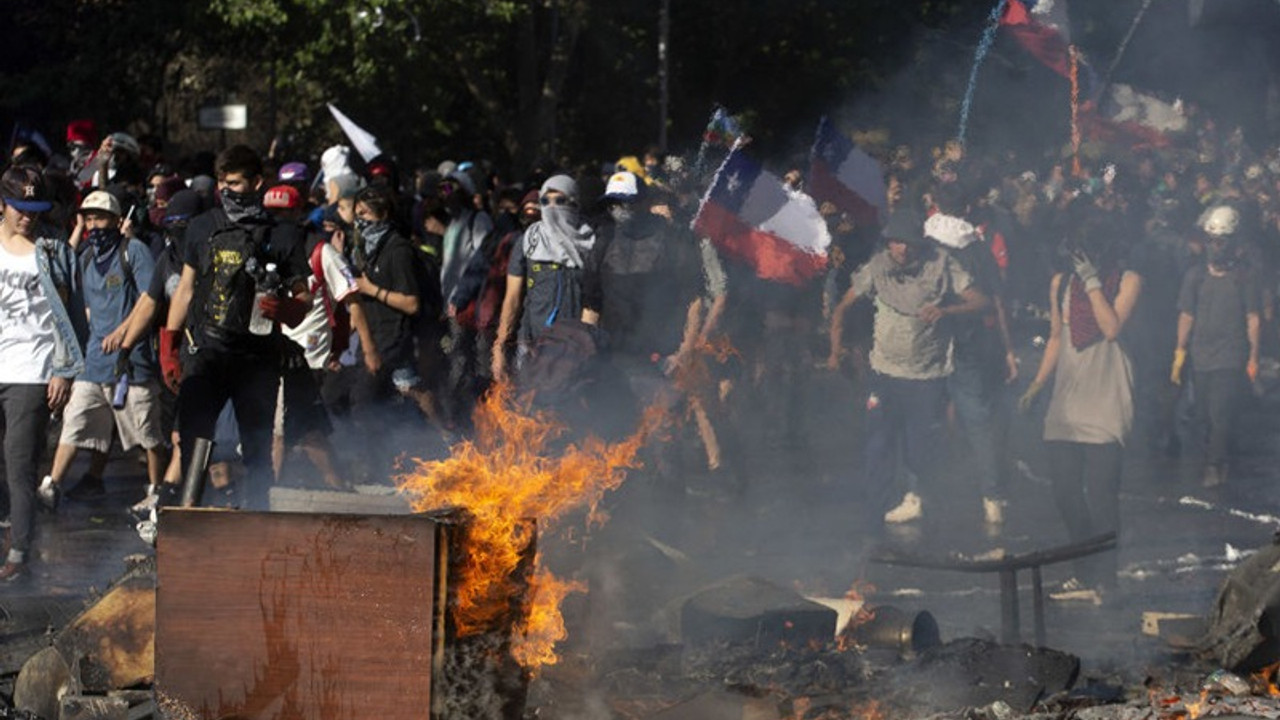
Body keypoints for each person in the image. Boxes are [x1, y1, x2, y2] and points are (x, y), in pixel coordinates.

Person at [163, 145, 310, 510]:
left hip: (257, 358)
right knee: (194, 441)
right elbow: (185, 289)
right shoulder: (202, 226)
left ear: (256, 183)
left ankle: (257, 520)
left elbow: (304, 298)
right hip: (206, 352)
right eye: (222, 183)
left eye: (235, 183)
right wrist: (170, 343)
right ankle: (186, 519)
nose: (227, 190)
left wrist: (287, 308)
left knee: (257, 447)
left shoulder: (284, 235)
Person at [827, 209, 988, 533]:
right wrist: (835, 350)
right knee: (878, 447)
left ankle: (929, 503)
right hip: (884, 374)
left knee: (920, 450)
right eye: (896, 243)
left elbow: (980, 301)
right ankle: (873, 524)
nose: (902, 250)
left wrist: (946, 310)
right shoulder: (877, 267)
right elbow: (844, 306)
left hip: (927, 376)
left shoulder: (942, 264)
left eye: (909, 243)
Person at [1019, 205, 1142, 597]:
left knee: (1103, 496)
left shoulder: (1128, 280)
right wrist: (1037, 384)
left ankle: (1106, 579)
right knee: (1066, 493)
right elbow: (1056, 337)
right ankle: (1083, 570)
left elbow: (1110, 328)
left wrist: (1092, 281)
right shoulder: (1060, 284)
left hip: (1106, 398)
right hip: (1068, 402)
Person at [37, 191, 166, 509]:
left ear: (117, 220)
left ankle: (157, 490)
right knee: (76, 422)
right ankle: (52, 485)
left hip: (130, 362)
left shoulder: (133, 251)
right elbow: (61, 271)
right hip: (93, 361)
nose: (95, 225)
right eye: (89, 217)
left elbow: (150, 298)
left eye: (100, 218)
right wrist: (79, 227)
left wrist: (123, 333)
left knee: (146, 432)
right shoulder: (86, 256)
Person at [0, 166, 86, 581]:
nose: (28, 218)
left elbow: (73, 315)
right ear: (3, 204)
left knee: (20, 463)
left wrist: (64, 371)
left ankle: (20, 553)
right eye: (20, 209)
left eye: (35, 210)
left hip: (32, 370)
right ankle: (10, 529)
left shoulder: (54, 250)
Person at [1171, 205, 1260, 487]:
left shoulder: (1244, 277)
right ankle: (1218, 457)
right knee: (1203, 413)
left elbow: (1253, 318)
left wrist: (1253, 357)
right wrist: (1179, 351)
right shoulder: (1195, 276)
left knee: (1221, 410)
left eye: (1221, 241)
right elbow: (1187, 314)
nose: (1215, 247)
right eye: (1211, 241)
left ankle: (1214, 464)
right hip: (1201, 356)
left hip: (1231, 356)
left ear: (1233, 243)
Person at [492, 179, 589, 382]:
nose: (552, 208)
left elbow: (594, 302)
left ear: (574, 202)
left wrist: (587, 347)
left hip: (572, 348)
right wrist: (500, 346)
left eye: (559, 200)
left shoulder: (590, 242)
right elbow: (512, 299)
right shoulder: (529, 241)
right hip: (530, 343)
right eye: (545, 201)